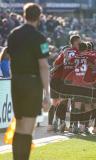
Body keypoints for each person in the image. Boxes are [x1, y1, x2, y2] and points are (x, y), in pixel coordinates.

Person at [7, 3, 50, 160]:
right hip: (32, 84)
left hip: (16, 81)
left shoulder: (13, 34)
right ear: (39, 17)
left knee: (19, 127)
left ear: (24, 15)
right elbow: (44, 66)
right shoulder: (40, 38)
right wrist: (47, 94)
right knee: (27, 128)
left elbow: (11, 59)